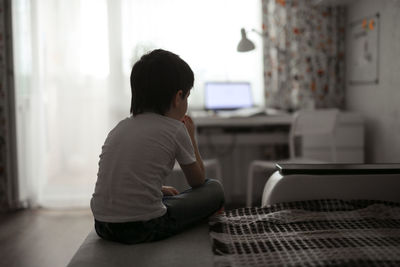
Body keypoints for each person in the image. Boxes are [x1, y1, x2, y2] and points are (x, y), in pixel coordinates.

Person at [90, 49, 225, 244]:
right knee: (214, 188)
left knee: (169, 196)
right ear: (178, 97)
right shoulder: (176, 129)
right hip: (146, 226)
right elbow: (198, 180)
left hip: (103, 225)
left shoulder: (120, 127)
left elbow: (124, 177)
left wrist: (158, 189)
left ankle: (156, 197)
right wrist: (191, 137)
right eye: (187, 96)